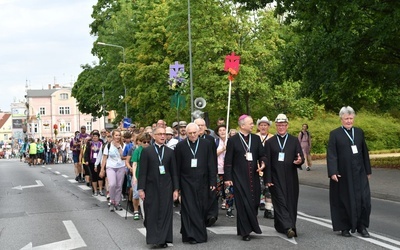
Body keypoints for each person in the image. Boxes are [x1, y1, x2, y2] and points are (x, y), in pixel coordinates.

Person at [327, 106, 372, 238]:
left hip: (359, 172)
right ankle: (344, 227)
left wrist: (368, 170)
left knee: (364, 200)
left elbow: (364, 151)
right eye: (346, 118)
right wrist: (333, 171)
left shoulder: (358, 132)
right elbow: (332, 154)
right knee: (345, 200)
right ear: (341, 119)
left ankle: (361, 226)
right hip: (343, 173)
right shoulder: (335, 134)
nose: (349, 121)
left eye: (351, 118)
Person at [224, 115, 267, 241]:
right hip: (239, 177)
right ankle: (245, 231)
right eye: (251, 123)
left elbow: (262, 155)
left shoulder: (256, 138)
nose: (253, 125)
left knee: (254, 203)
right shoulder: (233, 140)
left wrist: (263, 163)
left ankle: (250, 226)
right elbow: (228, 161)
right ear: (242, 125)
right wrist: (228, 177)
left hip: (253, 176)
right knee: (242, 204)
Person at [138, 127, 179, 248]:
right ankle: (154, 239)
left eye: (164, 134)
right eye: (160, 134)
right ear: (154, 136)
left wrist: (176, 189)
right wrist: (141, 189)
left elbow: (174, 172)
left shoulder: (170, 152)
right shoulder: (147, 151)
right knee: (152, 212)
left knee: (166, 212)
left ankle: (164, 239)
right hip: (151, 186)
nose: (162, 136)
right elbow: (143, 172)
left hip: (167, 186)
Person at [175, 123, 216, 244]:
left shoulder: (206, 144)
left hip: (203, 180)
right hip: (186, 181)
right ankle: (190, 235)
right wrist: (176, 187)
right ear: (186, 134)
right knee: (189, 208)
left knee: (201, 207)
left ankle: (200, 234)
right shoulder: (180, 146)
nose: (192, 135)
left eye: (194, 133)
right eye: (190, 133)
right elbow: (177, 166)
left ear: (199, 132)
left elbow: (211, 164)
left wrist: (213, 181)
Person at [265, 114, 304, 238]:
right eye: (279, 125)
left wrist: (300, 161)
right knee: (280, 202)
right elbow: (267, 162)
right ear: (276, 126)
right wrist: (268, 179)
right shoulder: (270, 142)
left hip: (291, 176)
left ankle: (285, 225)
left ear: (287, 126)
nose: (281, 127)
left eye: (283, 125)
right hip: (275, 178)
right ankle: (288, 227)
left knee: (291, 202)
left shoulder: (293, 140)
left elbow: (300, 156)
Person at [194, 118, 218, 227]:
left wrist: (214, 172)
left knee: (211, 193)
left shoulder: (209, 140)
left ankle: (211, 215)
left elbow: (213, 157)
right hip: (195, 173)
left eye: (202, 125)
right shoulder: (191, 140)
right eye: (198, 125)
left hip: (208, 171)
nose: (200, 128)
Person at [100, 129, 125, 211]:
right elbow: (104, 158)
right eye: (116, 135)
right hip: (110, 166)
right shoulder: (108, 145)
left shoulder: (123, 145)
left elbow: (123, 156)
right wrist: (102, 170)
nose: (117, 137)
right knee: (112, 184)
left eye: (119, 135)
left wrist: (119, 147)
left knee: (119, 185)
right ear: (113, 136)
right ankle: (111, 200)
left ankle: (117, 202)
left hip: (121, 166)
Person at [129, 133, 152, 219]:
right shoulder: (137, 150)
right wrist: (134, 177)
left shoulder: (152, 149)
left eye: (148, 142)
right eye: (144, 142)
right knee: (137, 195)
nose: (146, 144)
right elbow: (134, 164)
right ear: (140, 142)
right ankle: (136, 211)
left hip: (149, 177)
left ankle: (147, 214)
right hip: (139, 176)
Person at [256, 116, 274, 219]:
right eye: (261, 125)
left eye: (265, 125)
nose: (263, 127)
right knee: (258, 187)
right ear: (258, 126)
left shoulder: (272, 137)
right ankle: (259, 204)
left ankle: (268, 209)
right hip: (257, 167)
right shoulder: (254, 137)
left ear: (268, 126)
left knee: (268, 189)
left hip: (268, 167)